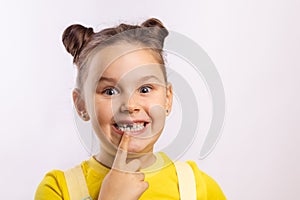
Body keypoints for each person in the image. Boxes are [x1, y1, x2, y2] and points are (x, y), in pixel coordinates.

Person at [34, 18, 226, 200]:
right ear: (81, 105)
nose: (129, 105)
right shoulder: (58, 190)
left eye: (145, 89)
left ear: (167, 99)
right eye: (109, 91)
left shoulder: (199, 187)